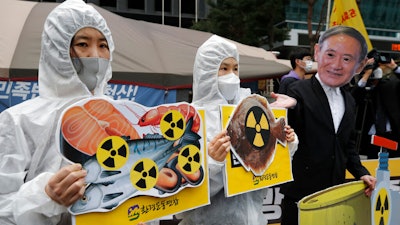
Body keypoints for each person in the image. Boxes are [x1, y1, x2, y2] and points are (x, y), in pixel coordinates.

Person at [0, 1, 148, 225]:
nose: (95, 55)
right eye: (82, 44)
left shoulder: (124, 114)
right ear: (57, 49)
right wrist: (44, 196)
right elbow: (3, 206)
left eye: (103, 45)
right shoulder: (20, 120)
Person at [175, 35, 298, 225]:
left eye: (235, 68)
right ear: (206, 71)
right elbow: (182, 195)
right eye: (223, 68)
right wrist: (213, 164)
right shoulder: (190, 121)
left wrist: (283, 145)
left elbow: (265, 173)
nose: (231, 76)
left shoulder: (251, 113)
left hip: (254, 218)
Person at [270, 25, 377, 225]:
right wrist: (290, 108)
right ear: (318, 52)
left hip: (334, 195)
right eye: (330, 54)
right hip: (301, 196)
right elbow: (286, 130)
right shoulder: (297, 91)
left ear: (359, 66)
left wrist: (361, 173)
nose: (337, 65)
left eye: (347, 59)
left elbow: (347, 145)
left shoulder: (349, 100)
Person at [351, 51, 400, 158]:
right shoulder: (362, 84)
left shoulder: (392, 84)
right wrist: (366, 74)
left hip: (392, 134)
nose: (379, 70)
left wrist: (394, 67)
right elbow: (353, 98)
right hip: (370, 136)